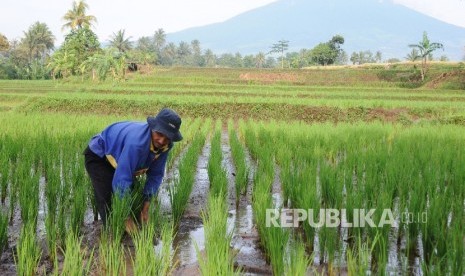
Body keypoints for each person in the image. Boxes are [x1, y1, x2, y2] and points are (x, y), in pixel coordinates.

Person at [83, 108, 182, 231]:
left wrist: (146, 207)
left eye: (167, 137)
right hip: (100, 155)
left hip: (121, 156)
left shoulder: (165, 146)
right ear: (153, 128)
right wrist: (126, 217)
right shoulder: (136, 144)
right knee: (107, 198)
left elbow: (156, 174)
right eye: (160, 134)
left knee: (132, 194)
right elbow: (122, 179)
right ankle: (112, 234)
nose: (162, 141)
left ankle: (130, 223)